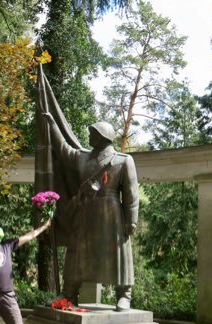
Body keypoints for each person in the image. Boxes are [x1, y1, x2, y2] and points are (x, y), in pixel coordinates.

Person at [42, 113, 139, 312]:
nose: (89, 137)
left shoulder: (123, 160)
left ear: (103, 136)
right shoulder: (83, 157)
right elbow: (63, 150)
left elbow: (131, 194)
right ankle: (69, 293)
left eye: (92, 133)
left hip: (111, 213)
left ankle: (124, 295)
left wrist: (132, 220)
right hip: (85, 210)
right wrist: (52, 125)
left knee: (118, 253)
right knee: (76, 252)